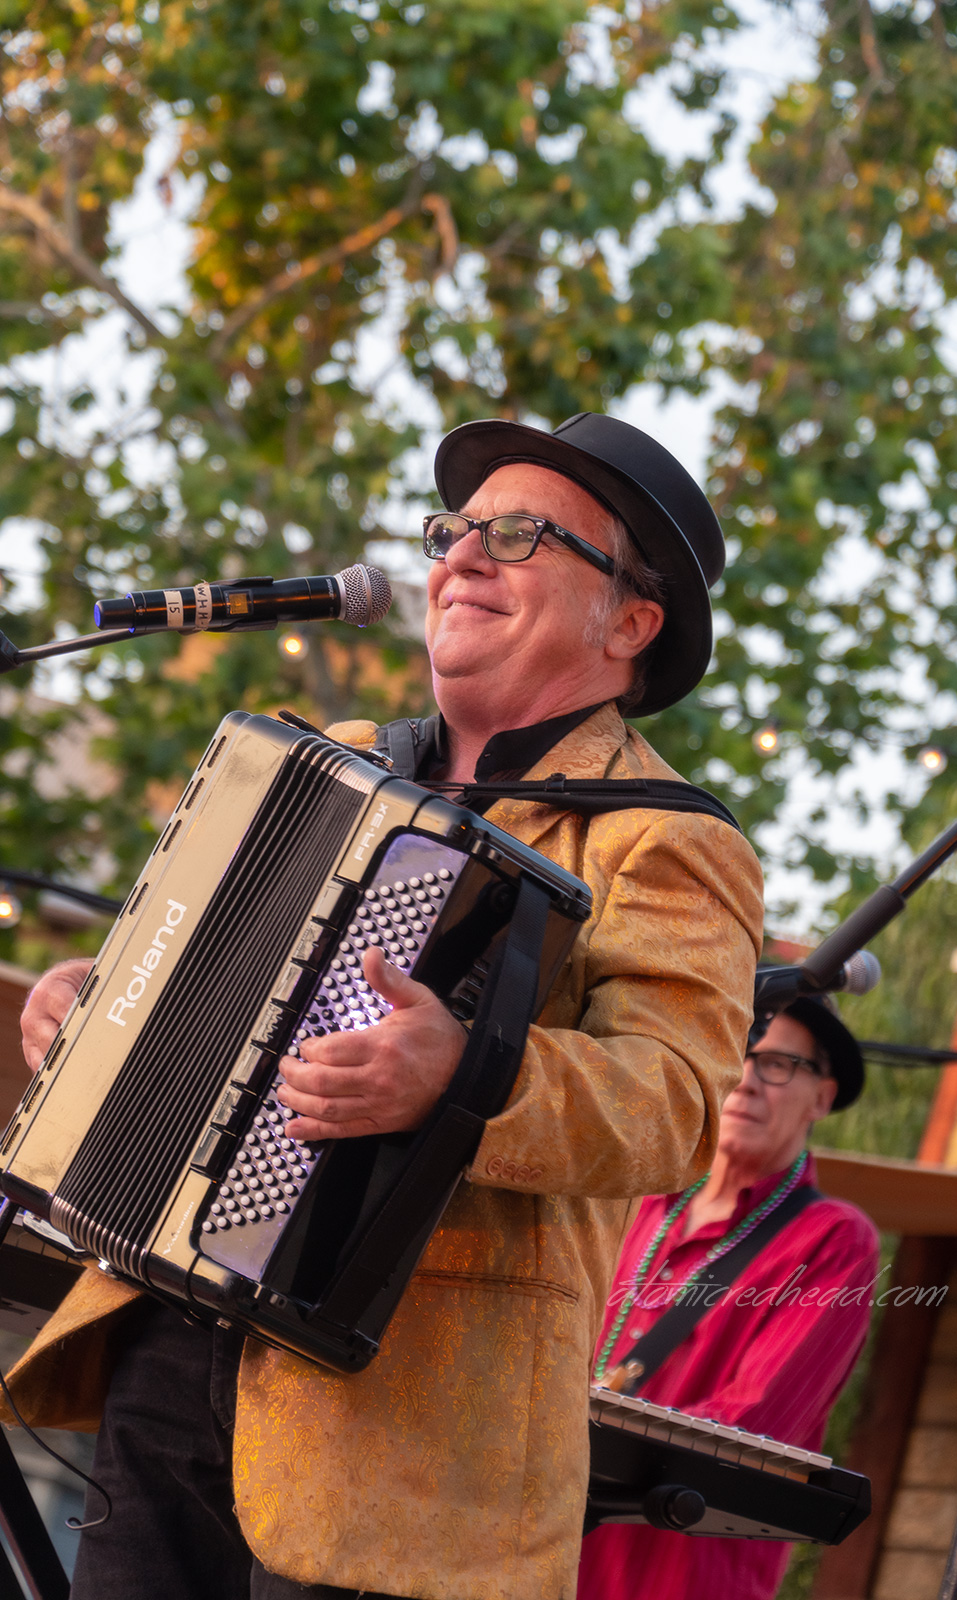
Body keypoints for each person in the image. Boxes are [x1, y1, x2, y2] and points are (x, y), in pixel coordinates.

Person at [7, 412, 763, 1600]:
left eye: (517, 533)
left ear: (629, 619)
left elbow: (669, 1105)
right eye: (453, 529)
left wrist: (465, 1073)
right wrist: (88, 1007)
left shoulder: (664, 837)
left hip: (406, 1430)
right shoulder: (329, 754)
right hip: (165, 1340)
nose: (461, 554)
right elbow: (177, 978)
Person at [578, 995, 880, 1600]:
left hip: (679, 1577)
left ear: (822, 1097)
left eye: (777, 1064)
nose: (745, 1080)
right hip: (547, 1553)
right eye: (737, 1055)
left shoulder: (834, 1240)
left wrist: (566, 1432)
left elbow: (755, 1426)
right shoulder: (632, 1198)